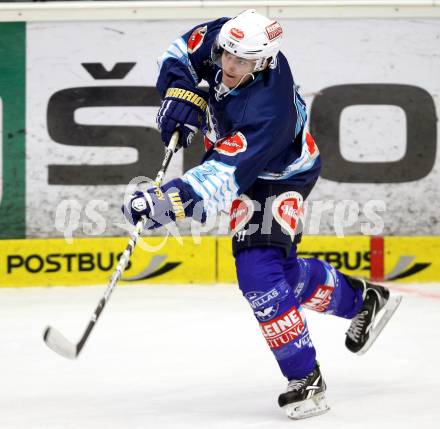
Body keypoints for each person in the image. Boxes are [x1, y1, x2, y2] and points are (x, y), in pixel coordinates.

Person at [123, 9, 402, 420]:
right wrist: (179, 93)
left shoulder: (267, 113)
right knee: (279, 275)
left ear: (265, 61)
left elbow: (220, 180)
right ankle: (364, 300)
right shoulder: (230, 39)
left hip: (277, 176)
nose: (229, 66)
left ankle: (305, 377)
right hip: (243, 166)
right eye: (226, 56)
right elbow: (181, 50)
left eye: (242, 61)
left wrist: (164, 204)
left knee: (258, 272)